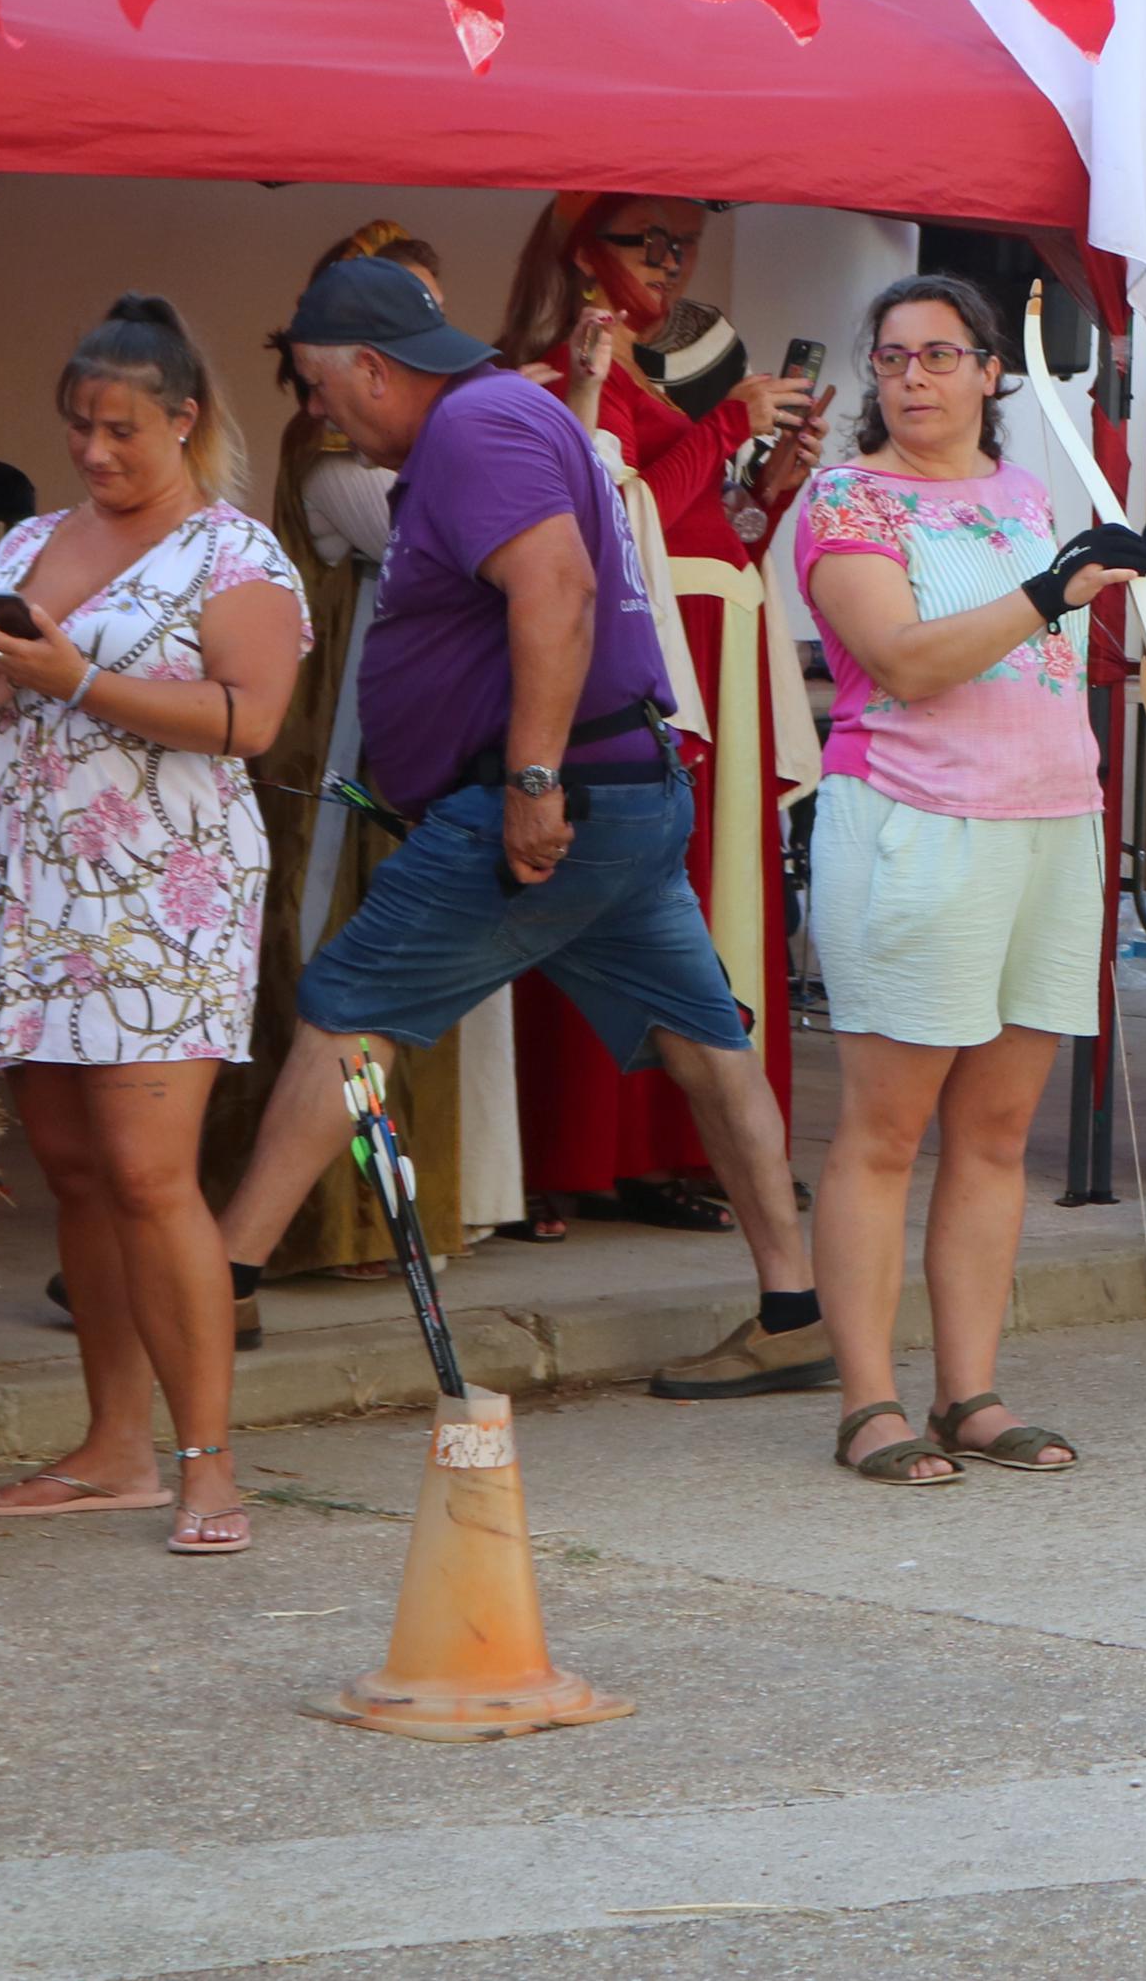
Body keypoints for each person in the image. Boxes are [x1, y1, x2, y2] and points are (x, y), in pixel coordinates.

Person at [213, 258, 821, 1402]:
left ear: (371, 368)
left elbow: (556, 588)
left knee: (349, 1006)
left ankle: (219, 1277)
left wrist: (531, 780)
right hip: (619, 793)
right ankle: (793, 1310)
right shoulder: (507, 414)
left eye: (313, 384)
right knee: (704, 1042)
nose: (314, 411)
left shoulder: (477, 428)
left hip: (553, 798)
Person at [0, 298, 308, 1559]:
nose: (96, 452)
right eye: (79, 428)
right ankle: (114, 1449)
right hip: (32, 899)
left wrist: (82, 681)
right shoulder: (39, 539)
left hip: (165, 903)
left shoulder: (235, 556)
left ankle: (208, 1461)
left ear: (184, 420)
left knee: (154, 1176)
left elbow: (250, 717)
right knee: (81, 1176)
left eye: (121, 430)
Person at [795, 277, 1146, 1486]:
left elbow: (1047, 658)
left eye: (940, 355)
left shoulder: (1023, 494)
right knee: (886, 1129)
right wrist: (1052, 588)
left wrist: (1101, 591)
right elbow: (900, 656)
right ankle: (868, 1399)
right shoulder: (848, 498)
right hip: (913, 822)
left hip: (1049, 823)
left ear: (991, 370)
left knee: (996, 1132)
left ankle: (970, 1388)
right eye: (891, 358)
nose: (912, 377)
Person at [495, 195, 825, 1238]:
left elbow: (706, 528)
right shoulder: (561, 377)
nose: (673, 263)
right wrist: (730, 422)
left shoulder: (646, 376)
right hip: (636, 669)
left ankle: (679, 1146)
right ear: (586, 252)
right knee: (619, 907)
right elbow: (615, 514)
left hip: (711, 654)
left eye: (685, 243)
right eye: (650, 242)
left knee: (705, 909)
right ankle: (577, 1154)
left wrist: (766, 488)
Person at [244, 223, 524, 1268]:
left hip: (441, 743)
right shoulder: (327, 452)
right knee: (342, 978)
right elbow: (458, 547)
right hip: (354, 749)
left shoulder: (444, 444)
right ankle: (327, 1225)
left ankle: (418, 1211)